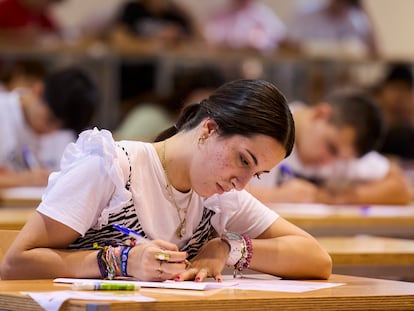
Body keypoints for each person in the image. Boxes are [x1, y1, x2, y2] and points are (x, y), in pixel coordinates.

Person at [0, 79, 332, 281]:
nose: (242, 183)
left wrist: (227, 248)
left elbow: (316, 258)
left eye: (256, 174)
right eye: (243, 160)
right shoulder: (111, 167)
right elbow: (16, 262)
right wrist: (119, 261)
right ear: (209, 129)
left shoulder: (219, 194)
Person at [248, 88, 413, 205]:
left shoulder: (343, 149)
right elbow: (223, 190)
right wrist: (277, 196)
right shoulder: (263, 126)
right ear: (321, 114)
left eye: (340, 159)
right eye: (331, 147)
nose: (328, 162)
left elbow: (401, 187)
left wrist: (335, 197)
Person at [0, 66, 98, 188]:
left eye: (61, 128)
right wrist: (21, 180)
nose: (51, 131)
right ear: (38, 90)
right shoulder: (3, 111)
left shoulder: (64, 135)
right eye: (50, 120)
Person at [107, 0, 201, 104]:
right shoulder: (133, 9)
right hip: (132, 80)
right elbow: (118, 41)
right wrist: (152, 46)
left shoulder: (175, 14)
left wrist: (186, 14)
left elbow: (198, 44)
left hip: (169, 83)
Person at [284, 0, 379, 57]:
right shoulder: (306, 15)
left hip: (343, 80)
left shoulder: (356, 20)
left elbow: (375, 52)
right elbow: (285, 44)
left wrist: (364, 10)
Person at [204, 0, 286, 53]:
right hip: (223, 64)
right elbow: (208, 38)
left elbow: (279, 40)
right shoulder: (219, 14)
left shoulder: (264, 15)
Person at [374, 63, 414, 160]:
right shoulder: (372, 124)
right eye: (395, 88)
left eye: (405, 90)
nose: (399, 96)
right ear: (382, 91)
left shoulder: (409, 128)